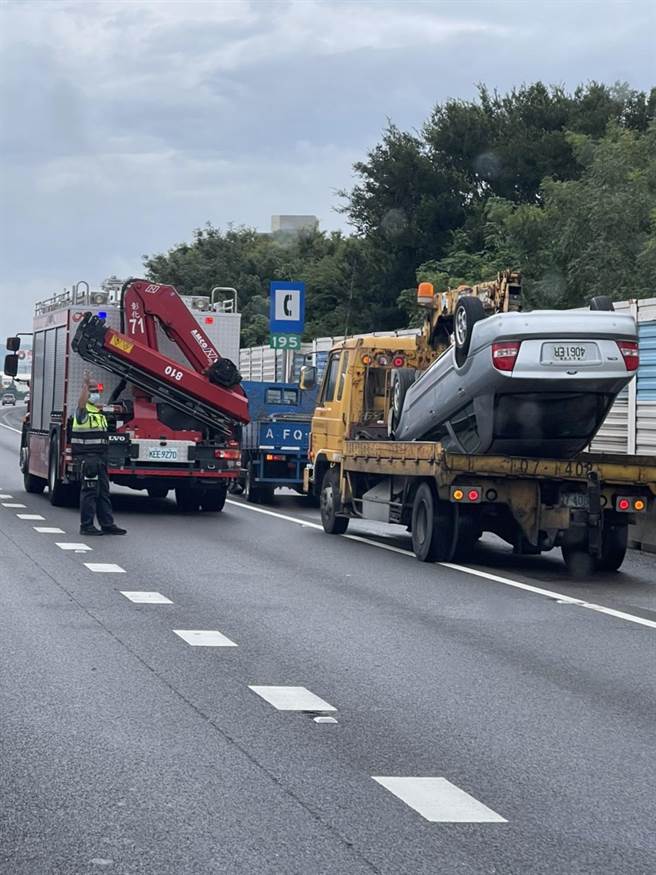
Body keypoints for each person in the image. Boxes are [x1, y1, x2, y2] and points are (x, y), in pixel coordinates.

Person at [72, 371, 127, 536]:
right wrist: (85, 384)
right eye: (92, 390)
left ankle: (107, 524)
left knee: (103, 492)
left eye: (96, 390)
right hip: (88, 458)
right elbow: (81, 403)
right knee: (90, 492)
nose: (95, 393)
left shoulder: (98, 412)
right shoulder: (83, 411)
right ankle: (86, 525)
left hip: (100, 458)